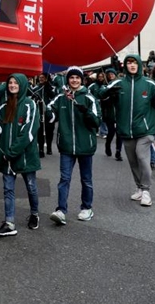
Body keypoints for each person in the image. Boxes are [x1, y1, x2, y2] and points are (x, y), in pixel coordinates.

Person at [99, 54, 155, 207]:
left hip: (145, 129)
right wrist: (108, 92)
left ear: (139, 64)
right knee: (132, 161)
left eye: (134, 63)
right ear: (125, 66)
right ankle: (139, 187)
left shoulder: (149, 83)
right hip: (126, 129)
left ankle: (146, 191)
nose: (132, 65)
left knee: (142, 156)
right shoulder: (118, 82)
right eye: (128, 63)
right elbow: (101, 93)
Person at [0, 73, 41, 237]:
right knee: (8, 189)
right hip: (6, 157)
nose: (12, 85)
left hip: (24, 156)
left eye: (16, 82)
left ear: (22, 85)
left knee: (31, 187)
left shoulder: (30, 105)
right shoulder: (3, 107)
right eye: (10, 82)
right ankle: (9, 222)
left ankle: (35, 214)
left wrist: (12, 152)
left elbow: (28, 133)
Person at [47, 67, 101, 226]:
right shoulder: (61, 98)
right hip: (66, 146)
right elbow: (50, 110)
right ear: (68, 80)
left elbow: (97, 122)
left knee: (86, 179)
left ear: (82, 80)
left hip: (85, 146)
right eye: (72, 78)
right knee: (64, 179)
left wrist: (86, 112)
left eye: (77, 78)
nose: (74, 81)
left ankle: (87, 208)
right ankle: (61, 210)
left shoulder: (89, 98)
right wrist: (47, 111)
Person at [101, 68, 123, 161]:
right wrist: (110, 95)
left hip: (120, 114)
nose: (111, 76)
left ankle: (118, 152)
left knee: (119, 134)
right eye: (109, 75)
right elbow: (102, 100)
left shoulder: (121, 85)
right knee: (111, 132)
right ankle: (108, 145)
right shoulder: (105, 86)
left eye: (112, 74)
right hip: (110, 113)